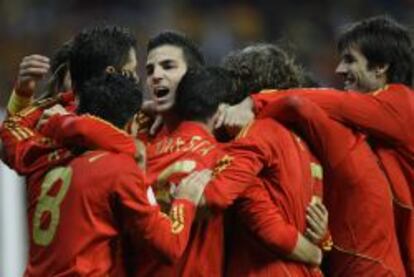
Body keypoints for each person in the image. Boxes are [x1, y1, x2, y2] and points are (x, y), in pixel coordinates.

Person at [222, 15, 414, 275]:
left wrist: (254, 102)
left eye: (350, 60)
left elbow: (313, 103)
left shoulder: (403, 104)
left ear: (380, 66)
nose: (339, 70)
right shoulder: (366, 129)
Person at [0, 72, 211, 276]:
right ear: (131, 124)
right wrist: (184, 201)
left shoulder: (40, 157)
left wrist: (66, 102)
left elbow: (11, 127)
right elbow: (169, 246)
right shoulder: (120, 169)